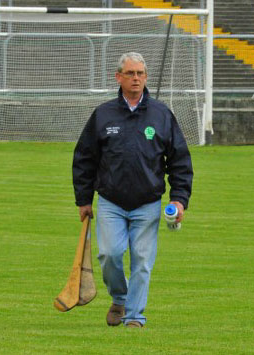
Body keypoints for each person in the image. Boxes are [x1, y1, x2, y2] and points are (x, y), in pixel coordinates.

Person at [72, 52, 193, 328]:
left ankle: (135, 317)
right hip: (111, 201)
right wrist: (84, 199)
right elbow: (84, 158)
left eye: (140, 73)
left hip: (147, 202)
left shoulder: (162, 114)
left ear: (146, 77)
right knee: (110, 255)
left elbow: (180, 160)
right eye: (130, 73)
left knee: (142, 260)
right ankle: (119, 297)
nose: (136, 78)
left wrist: (179, 199)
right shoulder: (103, 114)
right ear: (119, 77)